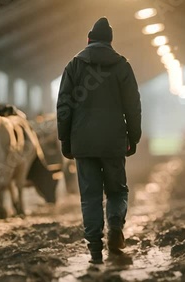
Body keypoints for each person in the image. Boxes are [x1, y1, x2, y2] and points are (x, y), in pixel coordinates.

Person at [56, 17, 142, 264]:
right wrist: (133, 136)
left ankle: (95, 249)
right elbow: (133, 106)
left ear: (89, 39)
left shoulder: (74, 65)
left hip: (82, 143)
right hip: (114, 142)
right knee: (117, 190)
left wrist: (65, 139)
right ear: (110, 42)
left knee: (90, 196)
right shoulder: (122, 65)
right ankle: (115, 225)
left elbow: (64, 106)